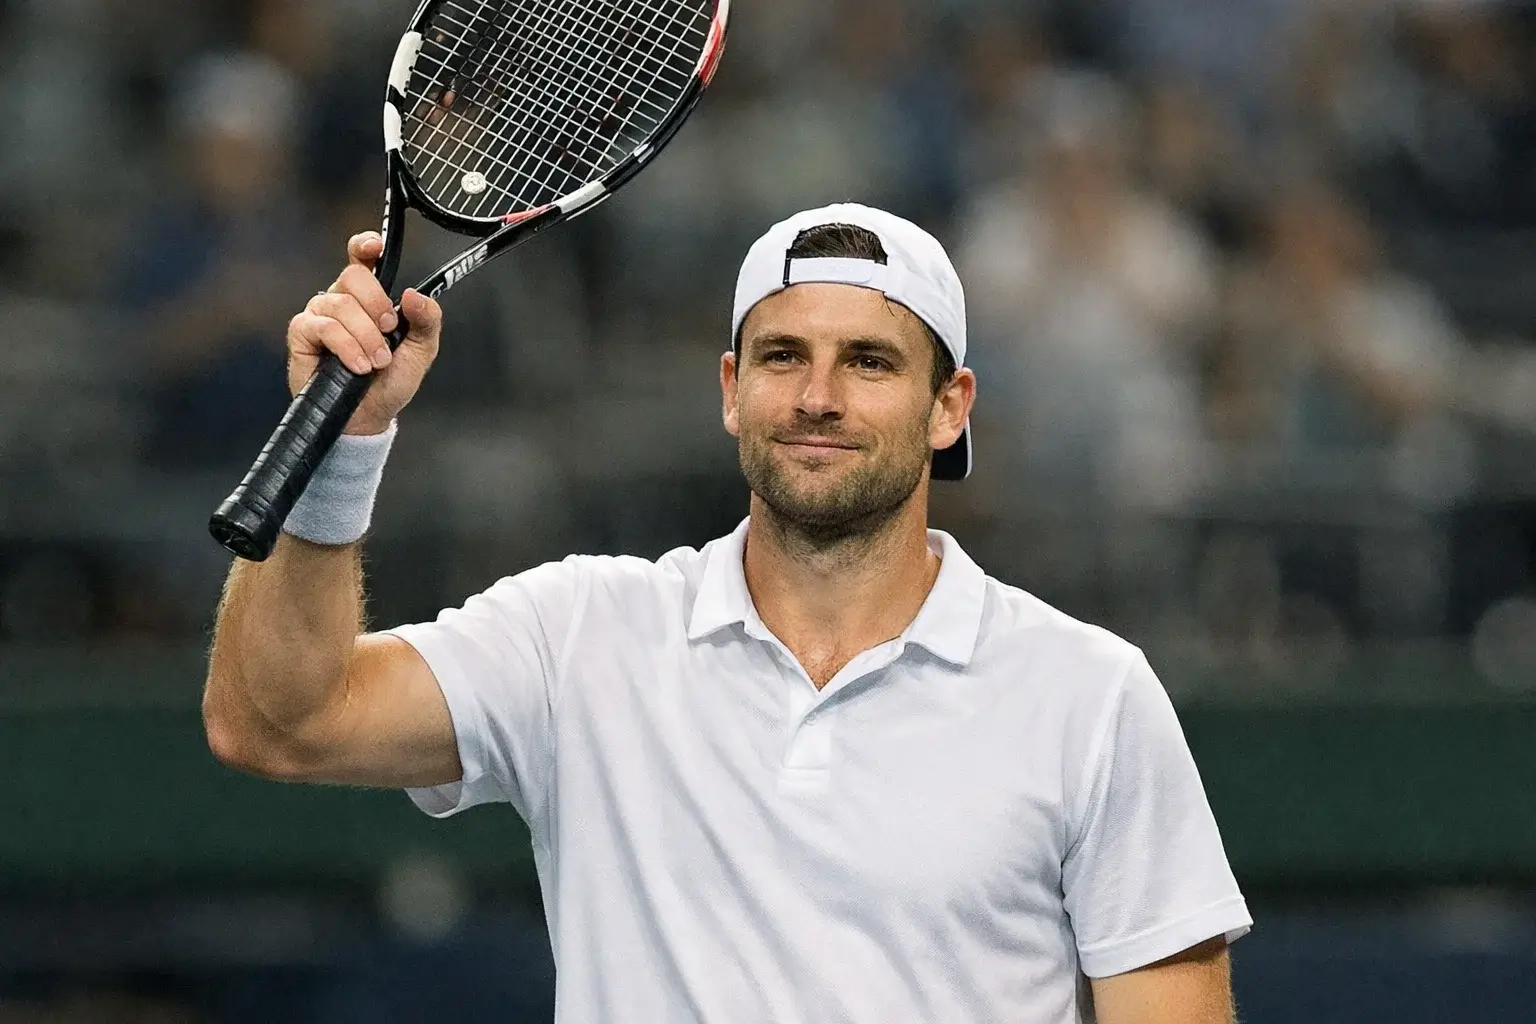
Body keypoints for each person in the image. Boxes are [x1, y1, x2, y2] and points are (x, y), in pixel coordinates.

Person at [203, 203, 1251, 1023]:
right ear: (730, 388)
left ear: (950, 407)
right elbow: (277, 719)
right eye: (783, 355)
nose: (818, 396)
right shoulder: (582, 634)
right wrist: (341, 450)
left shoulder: (1089, 694)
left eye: (870, 362)